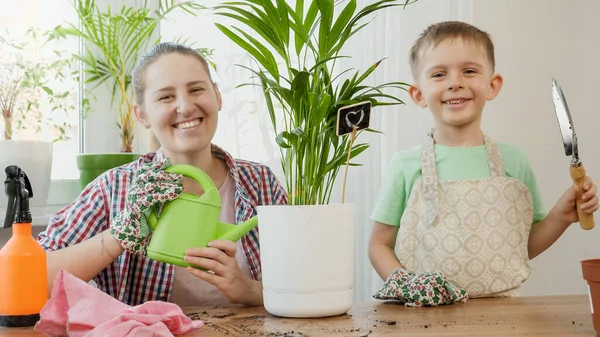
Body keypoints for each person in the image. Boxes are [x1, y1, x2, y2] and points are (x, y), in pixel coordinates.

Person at [37, 42, 288, 307]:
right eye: (166, 97)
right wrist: (118, 236)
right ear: (142, 115)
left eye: (197, 89)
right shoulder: (115, 187)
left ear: (217, 96)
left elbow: (305, 285)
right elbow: (24, 280)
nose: (185, 106)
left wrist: (246, 289)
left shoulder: (261, 183)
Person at [368, 21, 598, 306]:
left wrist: (561, 217)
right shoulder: (405, 165)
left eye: (469, 71)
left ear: (492, 85)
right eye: (439, 74)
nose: (455, 82)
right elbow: (378, 245)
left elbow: (522, 246)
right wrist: (409, 285)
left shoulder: (514, 161)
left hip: (502, 315)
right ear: (418, 94)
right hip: (423, 315)